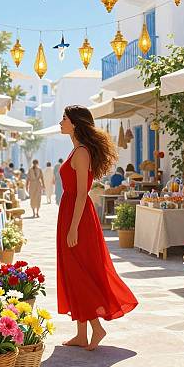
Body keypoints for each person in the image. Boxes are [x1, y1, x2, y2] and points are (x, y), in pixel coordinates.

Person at [57, 105, 138, 351]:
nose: (61, 122)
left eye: (64, 119)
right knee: (73, 272)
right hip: (71, 213)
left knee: (80, 273)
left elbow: (82, 194)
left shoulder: (81, 153)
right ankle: (81, 333)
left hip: (78, 217)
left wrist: (73, 229)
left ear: (75, 123)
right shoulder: (76, 150)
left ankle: (96, 327)